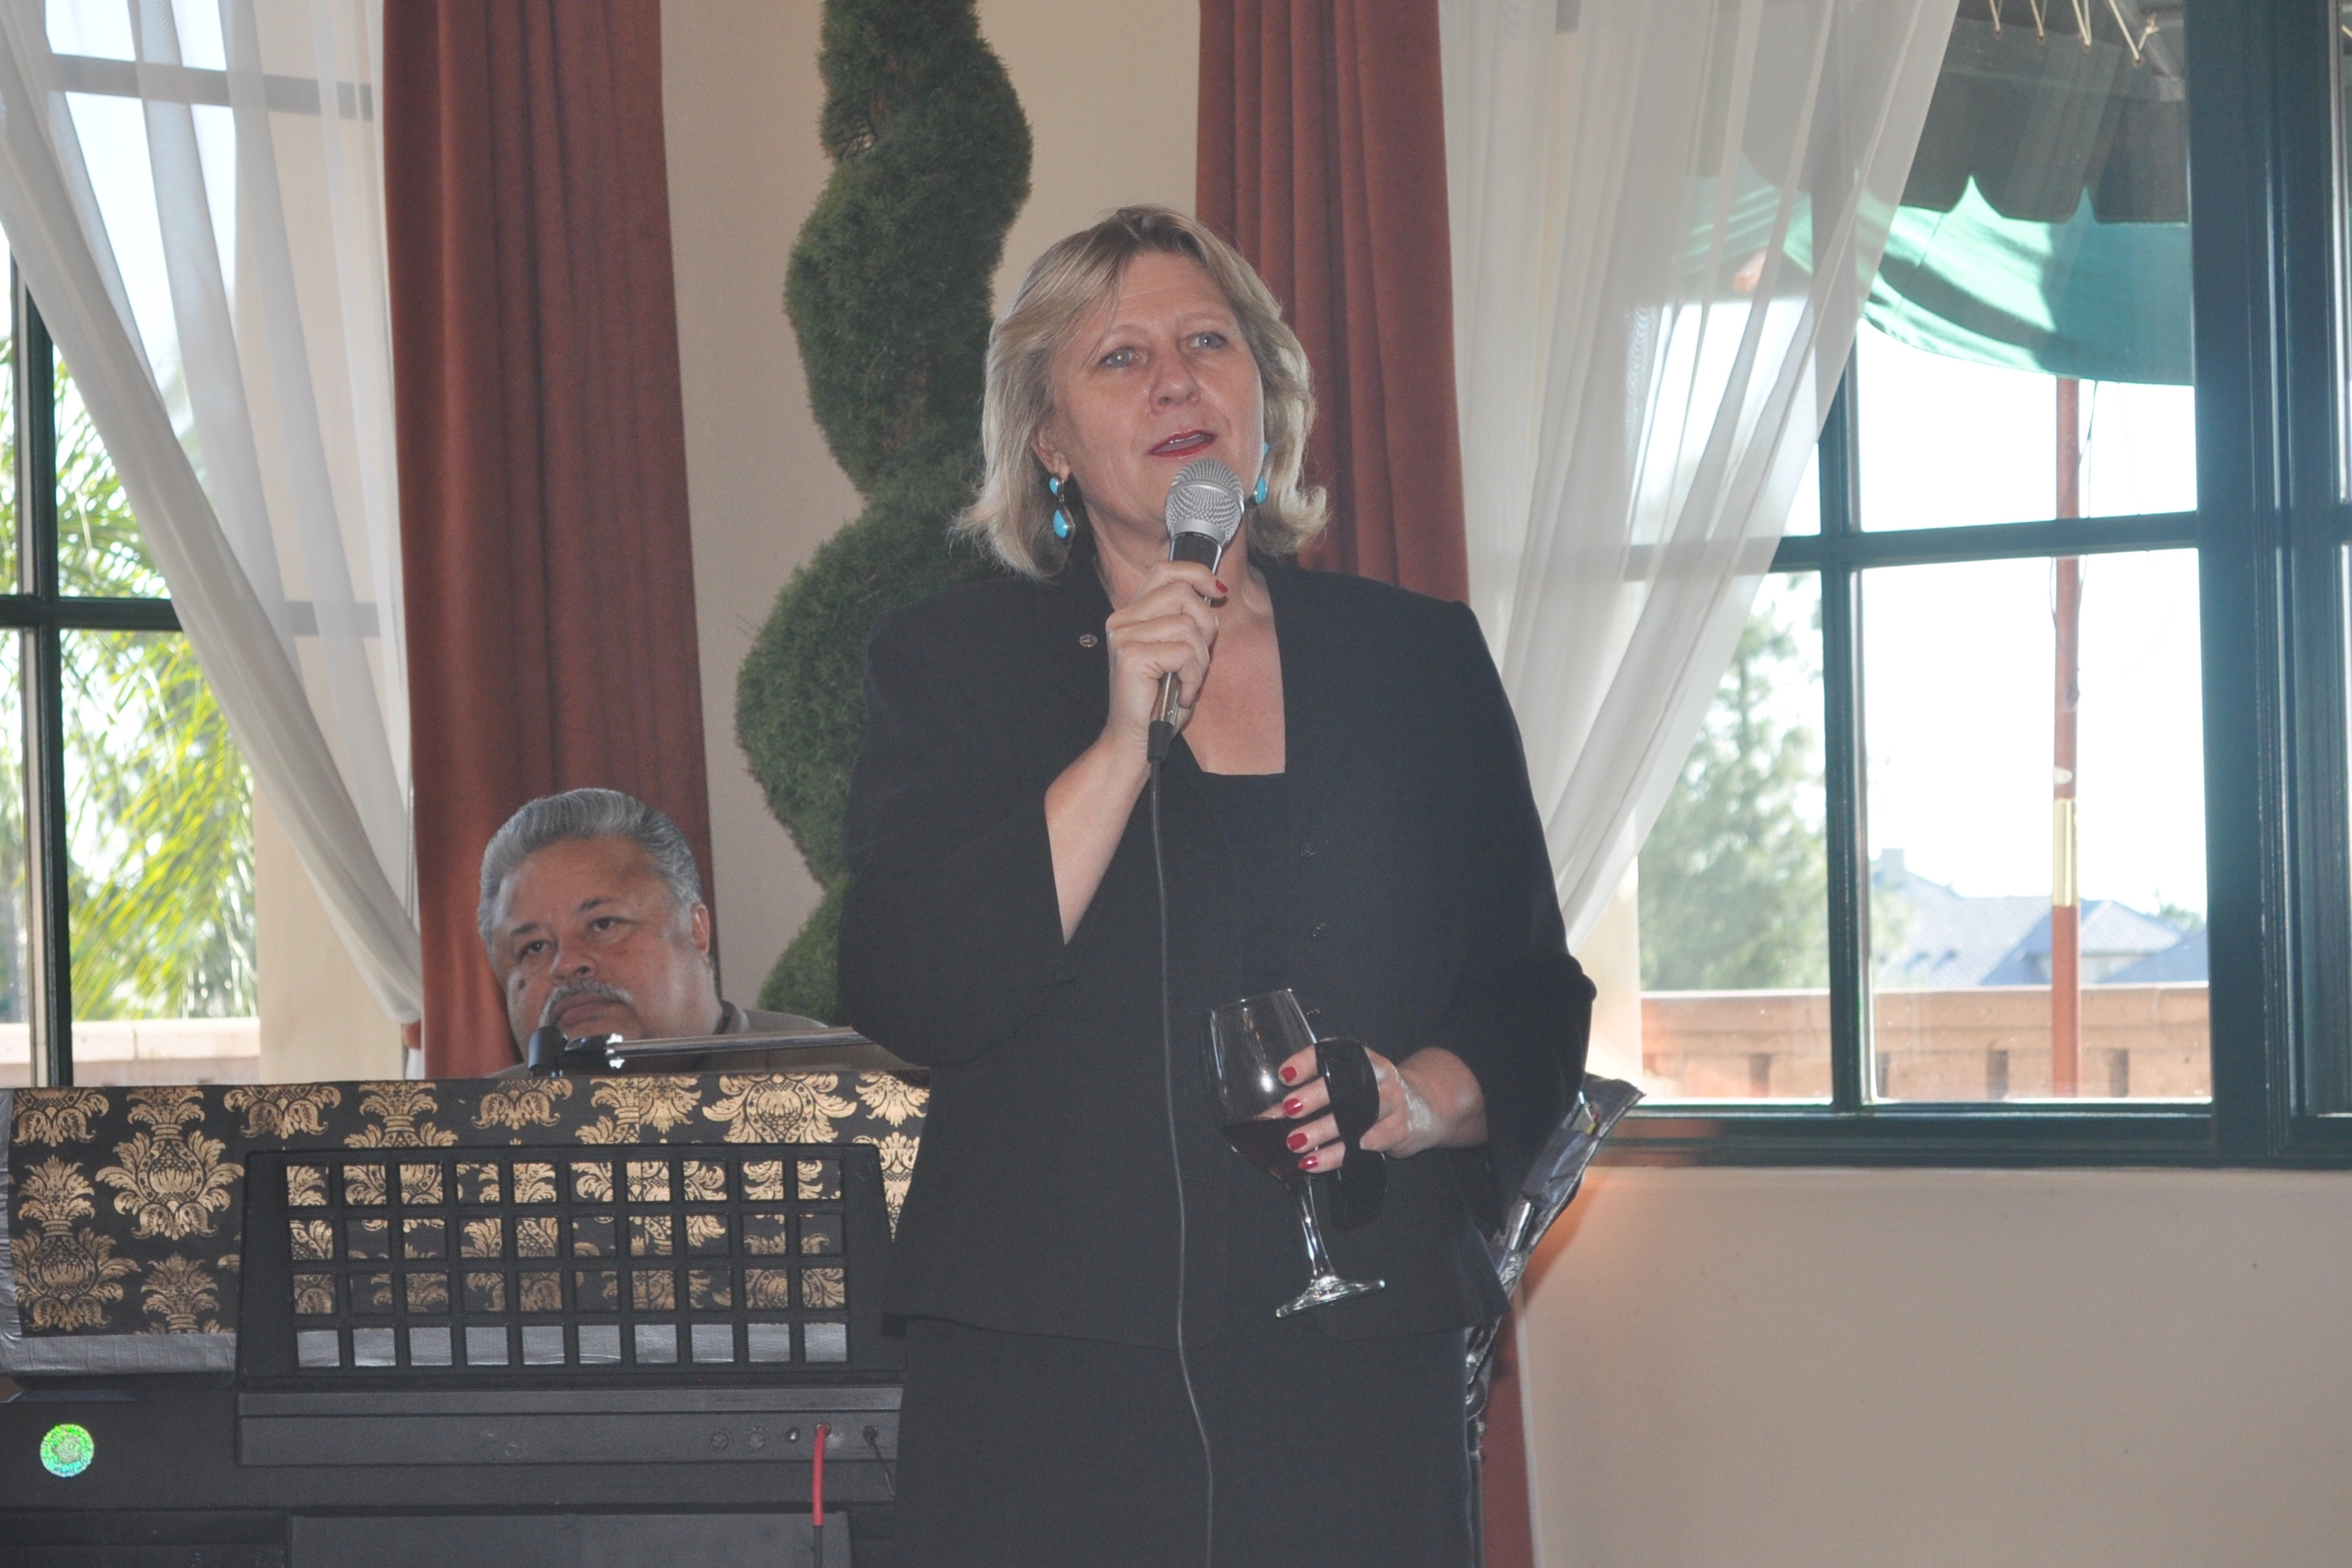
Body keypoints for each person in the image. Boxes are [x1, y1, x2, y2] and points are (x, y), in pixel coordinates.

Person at [838, 207, 1592, 1565]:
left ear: (1266, 392)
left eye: (1206, 342)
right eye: (1119, 358)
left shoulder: (1413, 661)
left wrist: (1417, 1099)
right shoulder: (952, 664)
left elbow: (1532, 997)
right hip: (1049, 1380)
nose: (1175, 381)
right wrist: (1118, 744)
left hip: (1358, 1357)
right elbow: (913, 984)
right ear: (1049, 439)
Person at [479, 787, 904, 1074]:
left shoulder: (857, 1082)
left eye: (603, 924)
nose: (568, 963)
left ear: (696, 930)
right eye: (534, 947)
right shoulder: (472, 1131)